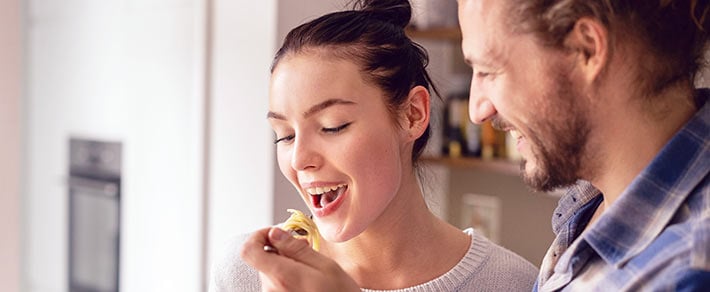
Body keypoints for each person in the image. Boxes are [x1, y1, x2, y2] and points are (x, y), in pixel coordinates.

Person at [210, 0, 538, 291]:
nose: (299, 159)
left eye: (332, 126)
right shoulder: (248, 273)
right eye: (285, 135)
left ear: (413, 115)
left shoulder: (514, 283)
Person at [457, 0, 710, 290]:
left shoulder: (687, 273)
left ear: (586, 49)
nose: (477, 110)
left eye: (488, 71)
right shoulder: (591, 208)